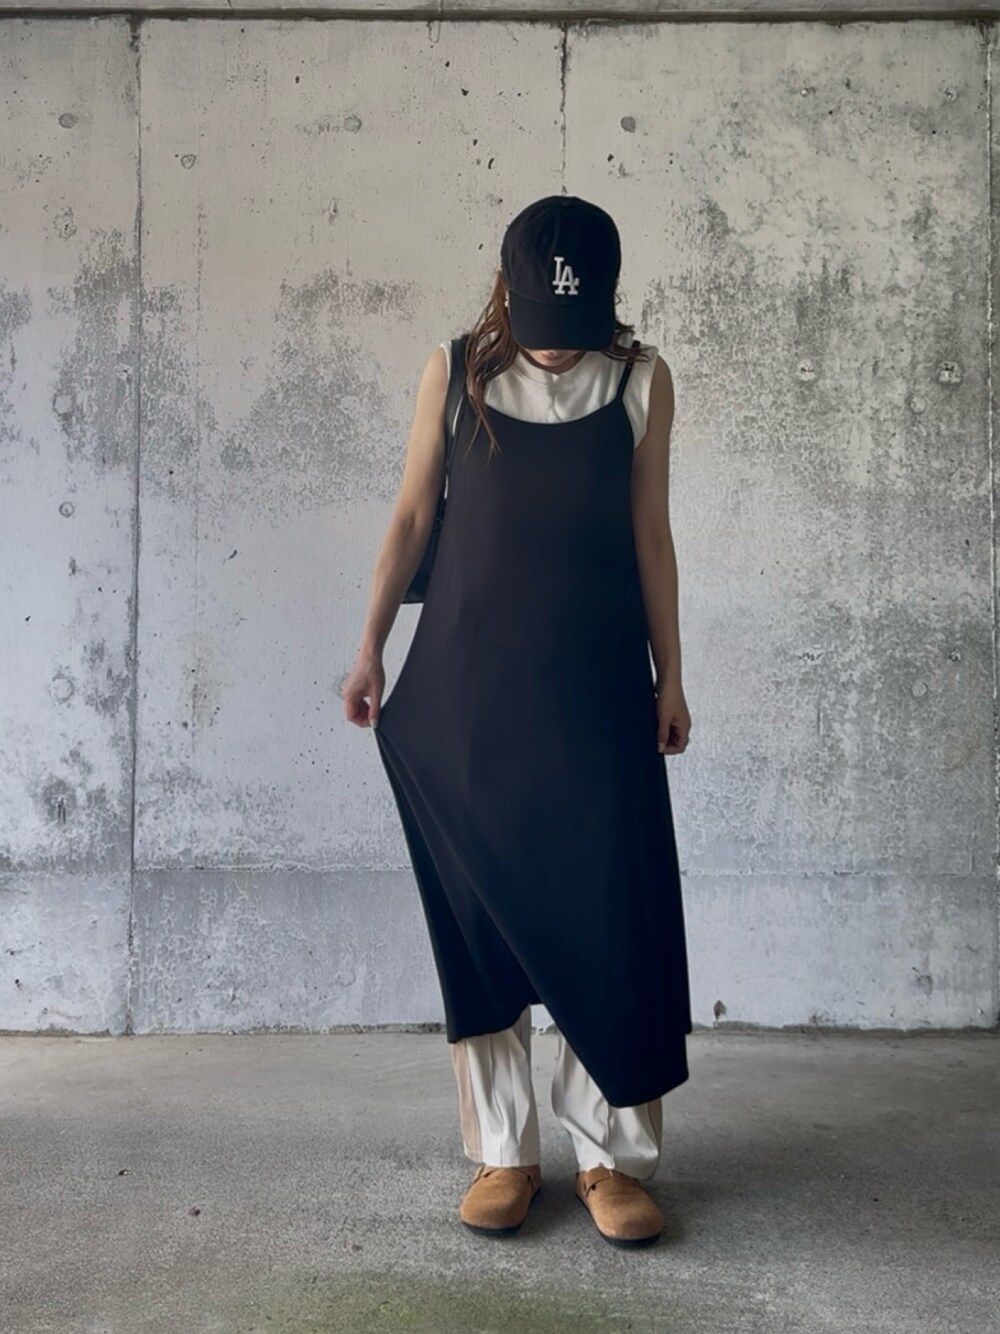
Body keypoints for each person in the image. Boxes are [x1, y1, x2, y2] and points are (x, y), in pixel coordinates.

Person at [341, 194, 693, 1248]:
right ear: (506, 292)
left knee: (607, 915)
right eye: (538, 320)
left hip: (594, 692)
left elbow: (650, 534)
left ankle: (609, 1157)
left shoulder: (639, 381)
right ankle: (504, 1149)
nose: (552, 344)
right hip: (467, 697)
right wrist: (369, 646)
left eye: (571, 324)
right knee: (481, 921)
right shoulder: (455, 372)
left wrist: (671, 675)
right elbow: (412, 513)